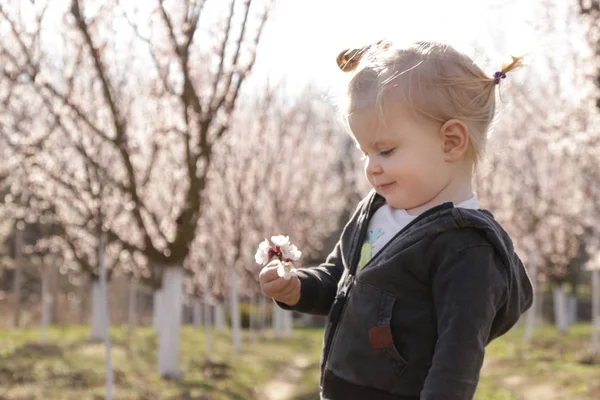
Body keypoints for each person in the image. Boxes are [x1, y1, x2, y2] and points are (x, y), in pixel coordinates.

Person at [259, 40, 534, 400]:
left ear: (451, 142)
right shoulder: (375, 210)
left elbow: (456, 365)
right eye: (366, 152)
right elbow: (340, 279)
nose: (372, 166)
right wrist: (298, 289)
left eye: (386, 150)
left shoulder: (467, 248)